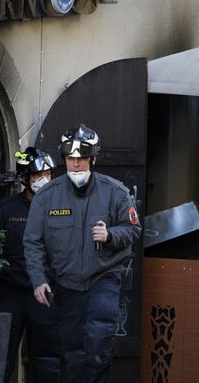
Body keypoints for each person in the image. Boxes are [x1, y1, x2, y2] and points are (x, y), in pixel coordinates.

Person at [24, 124, 141, 383]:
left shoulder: (116, 192)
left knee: (99, 341)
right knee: (74, 352)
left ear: (93, 159)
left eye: (82, 159)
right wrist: (38, 280)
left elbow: (133, 230)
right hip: (66, 283)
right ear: (64, 159)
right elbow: (32, 242)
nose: (76, 165)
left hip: (102, 277)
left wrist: (110, 235)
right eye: (71, 159)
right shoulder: (46, 198)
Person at [0, 147, 62, 383]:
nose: (44, 179)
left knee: (47, 359)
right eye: (37, 175)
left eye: (49, 174)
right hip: (10, 292)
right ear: (25, 179)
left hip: (45, 293)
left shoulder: (61, 210)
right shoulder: (5, 209)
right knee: (0, 357)